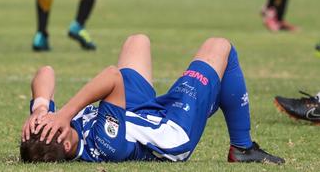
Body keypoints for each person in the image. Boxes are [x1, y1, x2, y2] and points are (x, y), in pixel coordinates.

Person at [20, 34, 284, 164]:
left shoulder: (52, 131)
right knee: (220, 46)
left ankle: (231, 122)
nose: (54, 120)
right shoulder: (106, 143)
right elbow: (112, 78)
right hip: (170, 130)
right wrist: (65, 113)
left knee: (138, 41)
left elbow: (45, 72)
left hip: (133, 113)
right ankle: (242, 148)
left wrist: (41, 108)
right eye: (56, 124)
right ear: (67, 146)